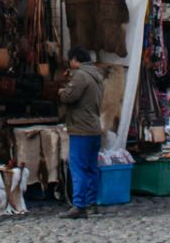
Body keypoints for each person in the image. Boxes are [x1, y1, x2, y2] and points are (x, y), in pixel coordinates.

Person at [58, 45, 104, 219]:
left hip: (81, 128)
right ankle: (92, 204)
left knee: (77, 167)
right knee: (91, 167)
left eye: (70, 61)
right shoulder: (96, 76)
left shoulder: (81, 75)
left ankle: (79, 205)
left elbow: (70, 96)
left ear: (75, 60)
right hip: (94, 128)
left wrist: (62, 91)